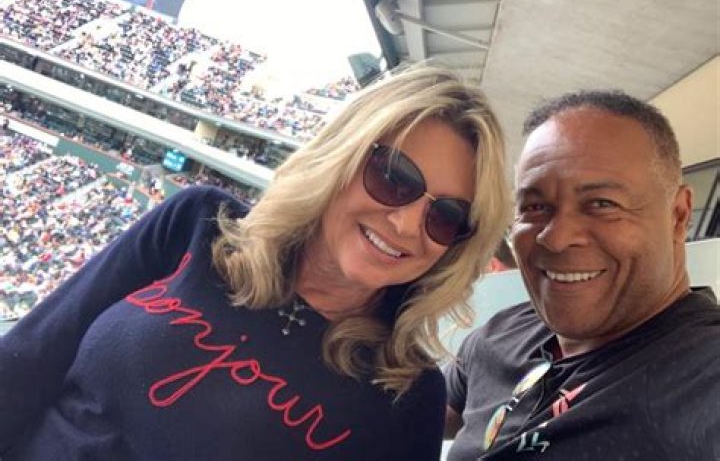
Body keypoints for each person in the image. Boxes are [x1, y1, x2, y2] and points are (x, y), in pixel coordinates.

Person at [0, 66, 510, 461]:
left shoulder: (408, 396)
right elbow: (28, 358)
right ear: (341, 155)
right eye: (394, 176)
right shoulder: (198, 223)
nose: (406, 224)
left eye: (446, 217)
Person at [444, 91, 720, 460]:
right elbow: (406, 415)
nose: (556, 238)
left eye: (601, 204)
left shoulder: (702, 373)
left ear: (678, 216)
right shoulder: (500, 336)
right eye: (535, 206)